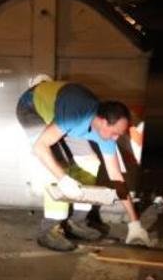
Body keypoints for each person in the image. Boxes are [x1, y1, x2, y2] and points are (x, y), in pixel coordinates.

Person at [17, 79, 150, 252]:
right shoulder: (75, 116)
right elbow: (40, 147)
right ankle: (49, 230)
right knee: (58, 167)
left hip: (64, 113)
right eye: (116, 133)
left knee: (90, 162)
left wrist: (134, 223)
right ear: (102, 122)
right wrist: (63, 179)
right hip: (31, 107)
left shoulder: (105, 133)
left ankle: (77, 222)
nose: (116, 139)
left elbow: (117, 177)